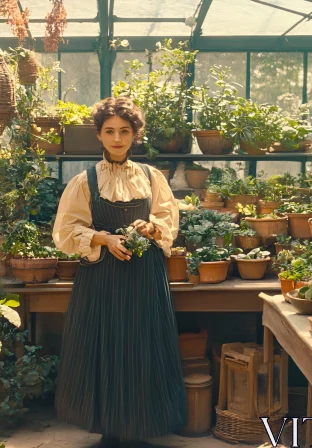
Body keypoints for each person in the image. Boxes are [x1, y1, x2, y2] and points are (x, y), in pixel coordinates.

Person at [52, 96, 187, 446]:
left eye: (124, 131)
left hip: (145, 278)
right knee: (107, 347)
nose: (117, 138)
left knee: (142, 346)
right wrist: (103, 238)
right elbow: (66, 233)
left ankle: (140, 426)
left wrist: (151, 228)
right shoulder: (85, 181)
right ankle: (111, 429)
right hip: (102, 280)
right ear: (99, 135)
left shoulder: (151, 177)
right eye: (109, 131)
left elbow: (167, 221)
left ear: (134, 135)